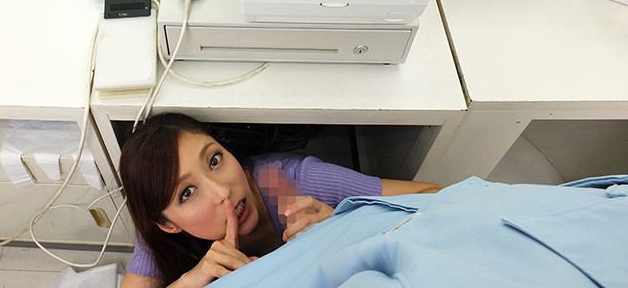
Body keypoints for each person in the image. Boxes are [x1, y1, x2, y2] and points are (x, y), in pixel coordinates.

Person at [119, 113, 442, 288]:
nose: (222, 192)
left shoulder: (284, 184)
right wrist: (192, 280)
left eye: (215, 160)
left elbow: (434, 195)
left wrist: (347, 221)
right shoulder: (162, 238)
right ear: (167, 224)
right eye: (187, 193)